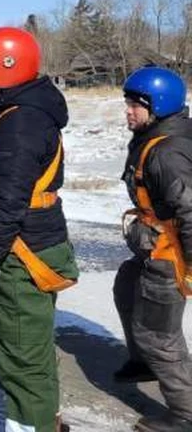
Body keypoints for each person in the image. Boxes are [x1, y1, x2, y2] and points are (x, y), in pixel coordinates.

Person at [0, 27, 79, 432]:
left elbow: (9, 205)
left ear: (5, 70)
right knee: (34, 349)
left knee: (20, 357)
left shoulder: (19, 123)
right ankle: (49, 420)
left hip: (21, 252)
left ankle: (31, 424)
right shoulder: (25, 113)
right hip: (35, 242)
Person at [113, 66, 192, 432]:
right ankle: (143, 361)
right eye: (127, 102)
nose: (128, 111)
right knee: (126, 285)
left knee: (158, 335)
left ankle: (186, 412)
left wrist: (189, 267)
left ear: (158, 106)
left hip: (171, 253)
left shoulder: (168, 153)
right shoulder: (157, 136)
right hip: (156, 243)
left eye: (135, 105)